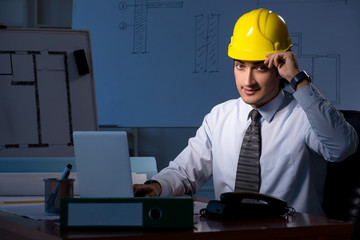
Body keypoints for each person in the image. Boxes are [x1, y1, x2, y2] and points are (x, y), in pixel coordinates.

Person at [133, 8, 358, 216]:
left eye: (260, 67)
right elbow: (184, 171)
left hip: (290, 235)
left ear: (280, 67)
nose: (247, 80)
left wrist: (299, 80)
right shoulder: (219, 116)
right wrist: (156, 187)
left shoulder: (304, 116)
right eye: (240, 66)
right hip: (231, 233)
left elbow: (341, 148)